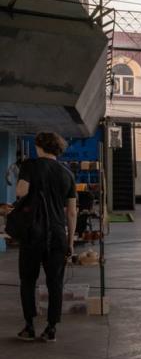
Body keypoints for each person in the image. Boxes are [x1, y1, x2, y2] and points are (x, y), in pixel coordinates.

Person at [15, 133, 77, 342]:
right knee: (55, 282)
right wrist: (70, 242)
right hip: (58, 233)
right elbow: (71, 213)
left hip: (33, 232)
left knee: (28, 280)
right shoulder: (67, 173)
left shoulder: (30, 165)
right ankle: (51, 328)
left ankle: (29, 326)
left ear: (39, 146)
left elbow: (21, 191)